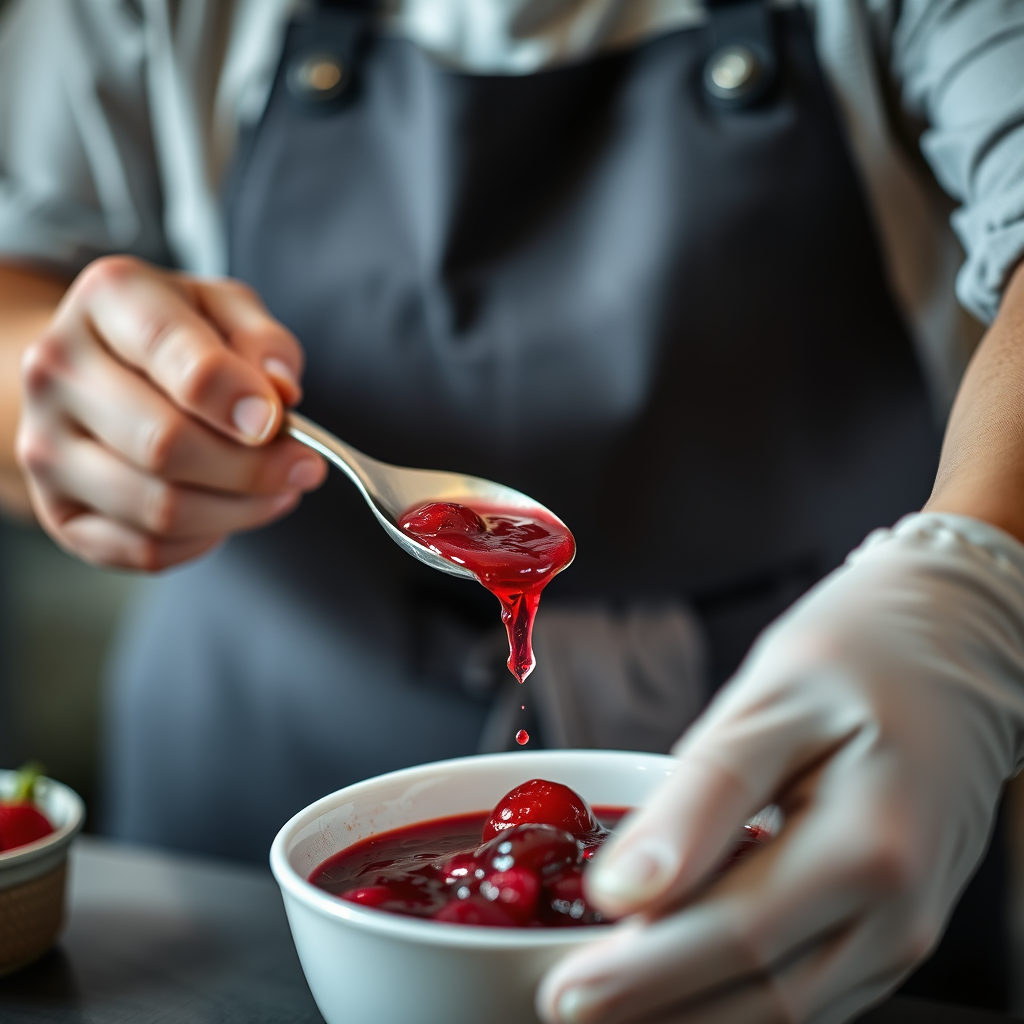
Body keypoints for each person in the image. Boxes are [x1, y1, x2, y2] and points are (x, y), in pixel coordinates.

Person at [1, 0, 1024, 1020]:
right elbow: (21, 276)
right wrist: (76, 412)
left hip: (832, 745)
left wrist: (976, 575)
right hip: (248, 763)